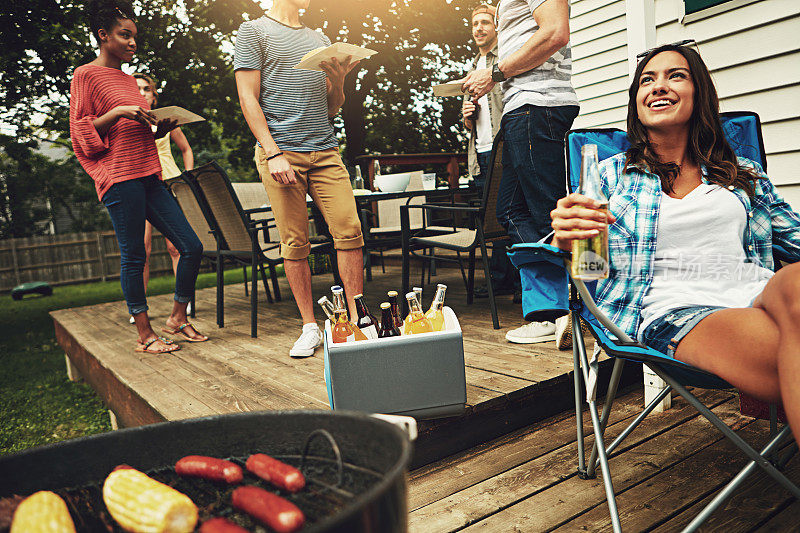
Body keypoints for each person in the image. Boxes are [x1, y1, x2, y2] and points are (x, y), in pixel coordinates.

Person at [549, 43, 800, 440]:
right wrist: (571, 241)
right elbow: (588, 262)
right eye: (647, 80)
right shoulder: (609, 175)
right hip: (676, 310)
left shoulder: (742, 174)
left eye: (675, 76)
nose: (658, 86)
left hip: (759, 291)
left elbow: (796, 239)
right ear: (636, 101)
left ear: (698, 92)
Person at [70, 0, 208, 353]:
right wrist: (117, 112)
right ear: (103, 36)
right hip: (119, 177)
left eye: (134, 36)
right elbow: (80, 133)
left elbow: (139, 132)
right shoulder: (85, 75)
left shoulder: (131, 81)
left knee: (191, 246)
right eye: (124, 35)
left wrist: (161, 129)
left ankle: (177, 318)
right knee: (134, 256)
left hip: (149, 173)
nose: (132, 42)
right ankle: (145, 335)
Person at [234, 0, 364, 358]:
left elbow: (332, 106)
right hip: (281, 152)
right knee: (294, 241)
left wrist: (339, 82)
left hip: (325, 150)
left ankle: (356, 321)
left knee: (349, 229)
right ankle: (310, 326)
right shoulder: (254, 31)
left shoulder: (319, 38)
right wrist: (272, 152)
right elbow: (248, 96)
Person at [463, 0, 579, 345]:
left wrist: (495, 73)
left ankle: (569, 309)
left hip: (537, 105)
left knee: (547, 212)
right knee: (511, 211)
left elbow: (556, 32)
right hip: (523, 109)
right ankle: (550, 311)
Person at [461, 4, 520, 302]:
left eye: (485, 22)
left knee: (509, 215)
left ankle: (517, 281)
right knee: (492, 218)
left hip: (503, 149)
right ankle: (501, 280)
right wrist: (467, 114)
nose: (479, 28)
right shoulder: (472, 67)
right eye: (475, 23)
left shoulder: (504, 59)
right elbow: (469, 118)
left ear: (496, 26)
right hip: (480, 152)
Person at [132, 72, 194, 309]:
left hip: (169, 183)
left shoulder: (164, 120)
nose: (143, 93)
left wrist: (187, 177)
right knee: (142, 249)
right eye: (137, 88)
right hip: (141, 185)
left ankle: (183, 300)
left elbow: (186, 149)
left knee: (176, 246)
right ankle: (139, 304)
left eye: (147, 89)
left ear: (154, 95)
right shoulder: (128, 122)